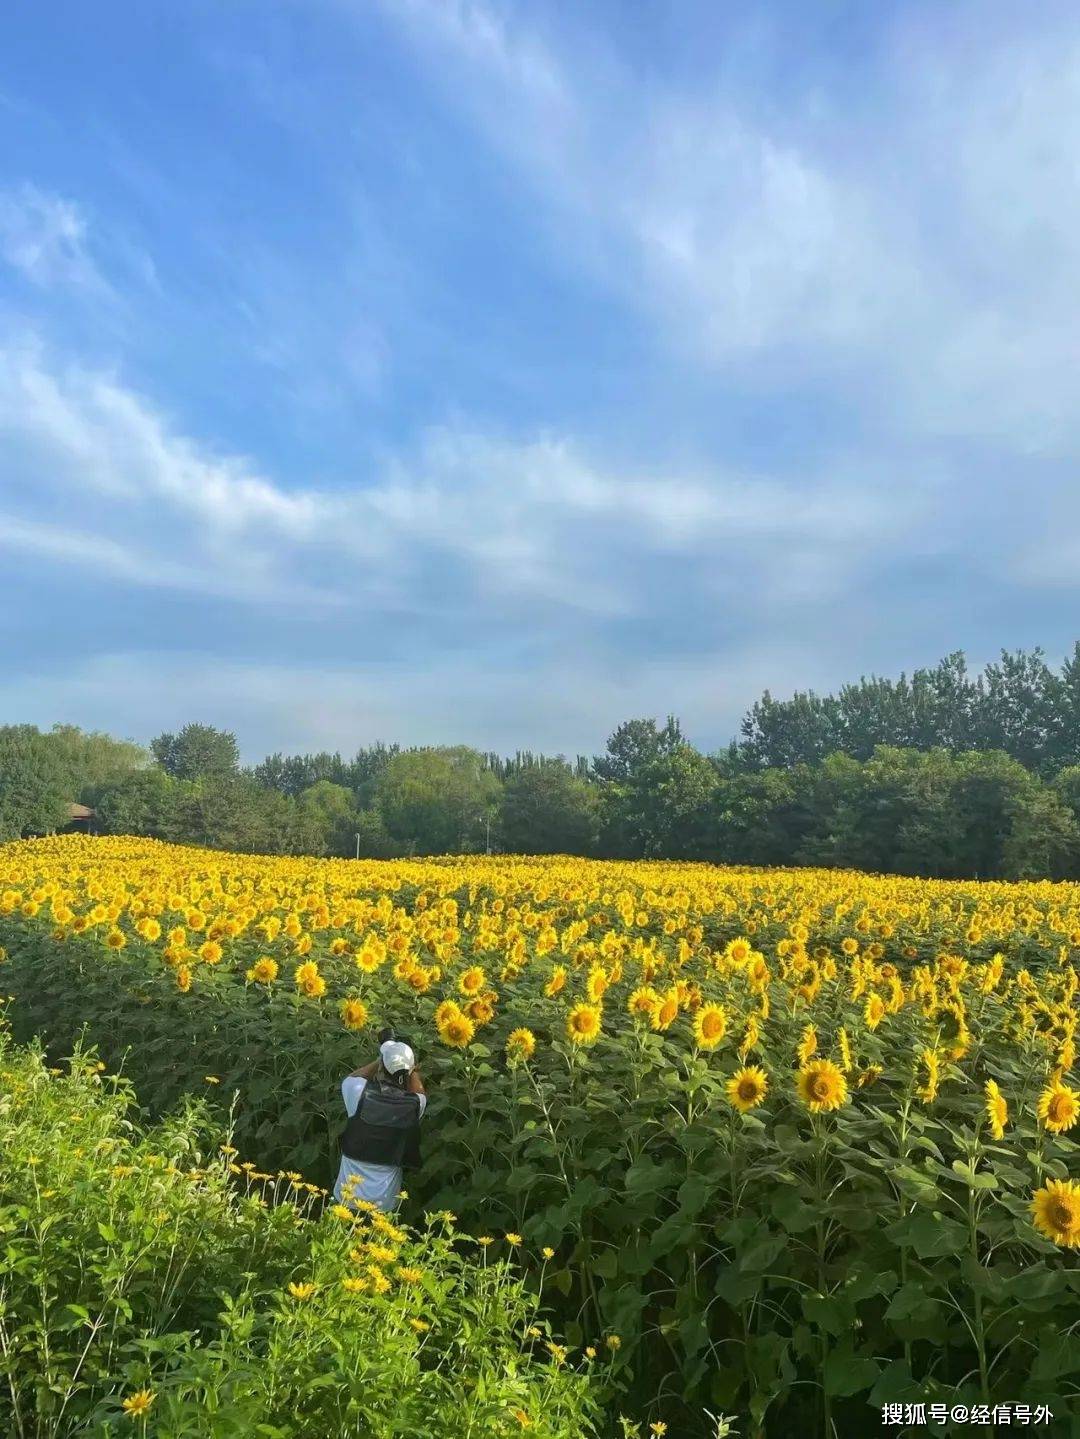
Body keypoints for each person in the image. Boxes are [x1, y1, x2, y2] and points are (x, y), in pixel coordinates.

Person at [333, 1036, 426, 1213]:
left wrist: (382, 1057)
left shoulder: (358, 1094)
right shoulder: (413, 1106)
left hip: (346, 1198)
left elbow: (353, 1078)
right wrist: (411, 1068)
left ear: (382, 1067)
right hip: (383, 1206)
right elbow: (419, 1092)